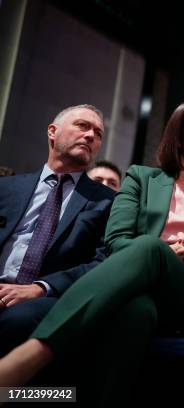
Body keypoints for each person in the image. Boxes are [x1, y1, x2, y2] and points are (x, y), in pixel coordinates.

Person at [0, 99, 184, 405]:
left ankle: (31, 355)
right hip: (137, 292)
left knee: (151, 247)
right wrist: (166, 253)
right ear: (178, 138)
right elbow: (116, 241)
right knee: (135, 313)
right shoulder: (142, 177)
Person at [0, 105, 115, 356]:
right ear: (52, 132)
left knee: (16, 321)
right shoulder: (6, 188)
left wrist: (41, 287)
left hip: (47, 297)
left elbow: (103, 262)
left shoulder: (108, 201)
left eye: (98, 134)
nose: (90, 136)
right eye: (82, 126)